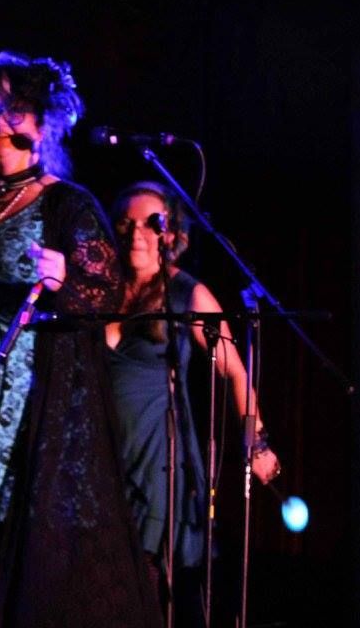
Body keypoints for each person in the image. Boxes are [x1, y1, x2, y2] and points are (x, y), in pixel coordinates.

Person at [0, 51, 158, 627]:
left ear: (44, 122)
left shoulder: (66, 203)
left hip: (18, 395)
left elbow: (106, 293)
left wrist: (66, 279)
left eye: (14, 110)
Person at [107, 181, 280, 625]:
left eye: (151, 223)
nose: (137, 233)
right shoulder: (102, 289)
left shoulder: (188, 294)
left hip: (158, 462)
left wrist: (257, 443)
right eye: (126, 223)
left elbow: (236, 371)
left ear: (171, 234)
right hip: (104, 457)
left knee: (146, 586)